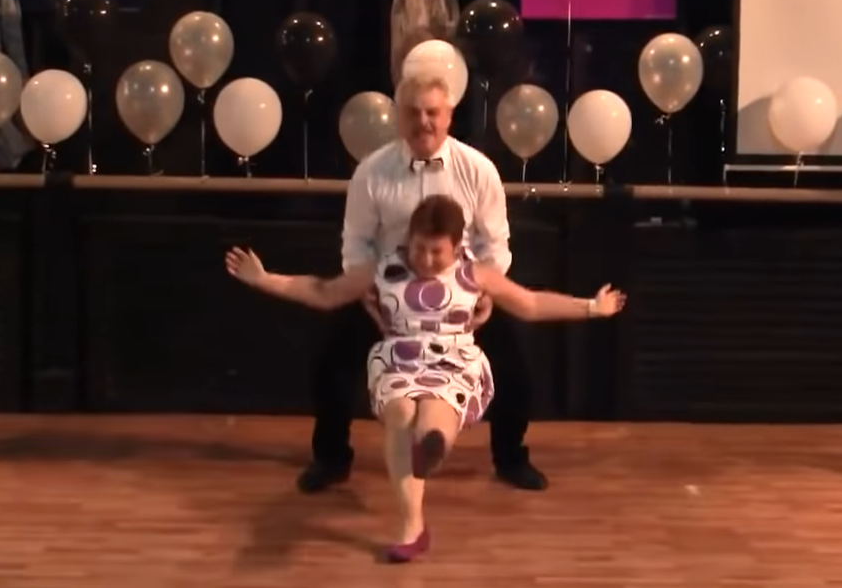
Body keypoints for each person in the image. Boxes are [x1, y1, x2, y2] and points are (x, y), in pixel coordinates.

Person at [225, 194, 626, 561]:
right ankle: (411, 525)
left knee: (435, 409)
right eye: (420, 248)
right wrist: (264, 278)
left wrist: (591, 307)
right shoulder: (382, 269)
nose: (427, 259)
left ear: (456, 246)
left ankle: (433, 444)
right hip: (398, 359)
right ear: (409, 239)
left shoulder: (476, 274)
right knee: (400, 414)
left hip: (453, 360)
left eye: (437, 252)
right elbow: (323, 291)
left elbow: (531, 303)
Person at [299, 73, 549, 495]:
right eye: (413, 113)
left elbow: (495, 242)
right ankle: (331, 459)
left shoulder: (478, 169)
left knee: (517, 369)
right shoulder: (371, 172)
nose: (424, 122)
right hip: (387, 293)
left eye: (433, 112)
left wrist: (484, 293)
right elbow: (356, 241)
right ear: (399, 116)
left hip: (461, 295)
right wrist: (366, 291)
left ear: (449, 115)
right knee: (330, 365)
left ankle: (510, 458)